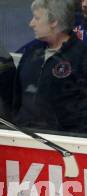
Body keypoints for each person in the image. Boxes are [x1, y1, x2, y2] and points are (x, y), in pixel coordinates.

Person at [13, 0, 87, 134]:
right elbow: (17, 97)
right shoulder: (31, 53)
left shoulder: (81, 57)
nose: (31, 24)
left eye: (36, 18)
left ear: (54, 21)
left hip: (63, 141)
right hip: (23, 136)